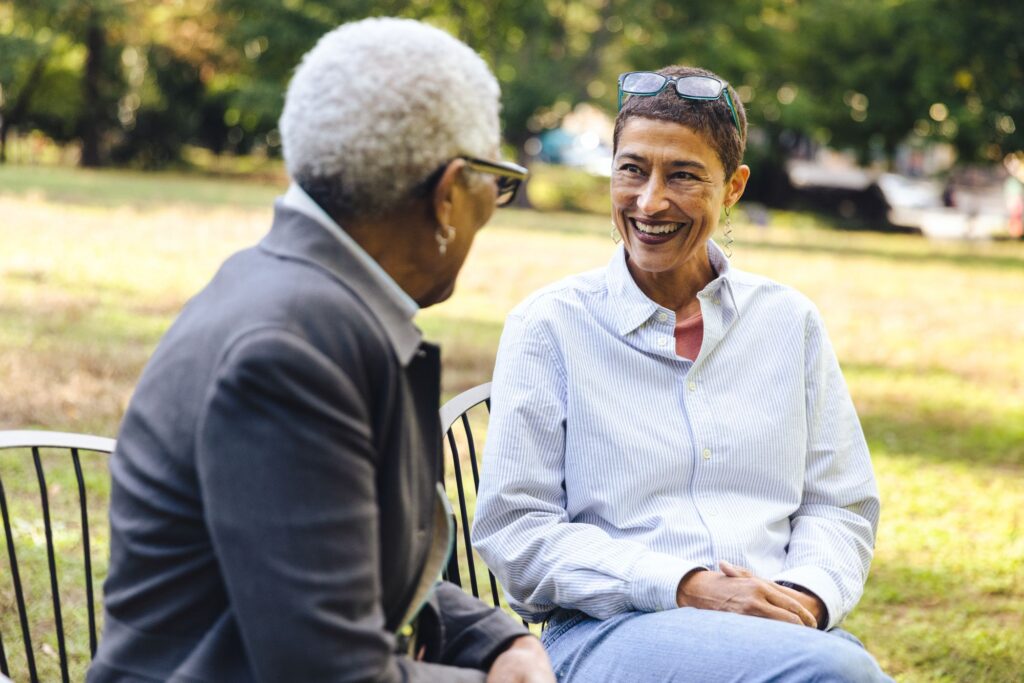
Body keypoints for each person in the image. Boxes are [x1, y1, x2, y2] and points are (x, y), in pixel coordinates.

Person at [88, 18, 554, 683]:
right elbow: (328, 671)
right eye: (495, 181)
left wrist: (499, 641)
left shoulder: (299, 299)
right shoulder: (289, 352)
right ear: (448, 195)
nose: (493, 204)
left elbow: (346, 556)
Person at [473, 65, 892, 682]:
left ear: (733, 188)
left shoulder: (788, 322)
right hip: (605, 632)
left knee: (831, 670)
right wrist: (687, 586)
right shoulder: (549, 326)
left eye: (684, 176)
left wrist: (804, 598)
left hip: (780, 638)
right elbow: (519, 533)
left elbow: (839, 504)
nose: (649, 201)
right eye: (632, 169)